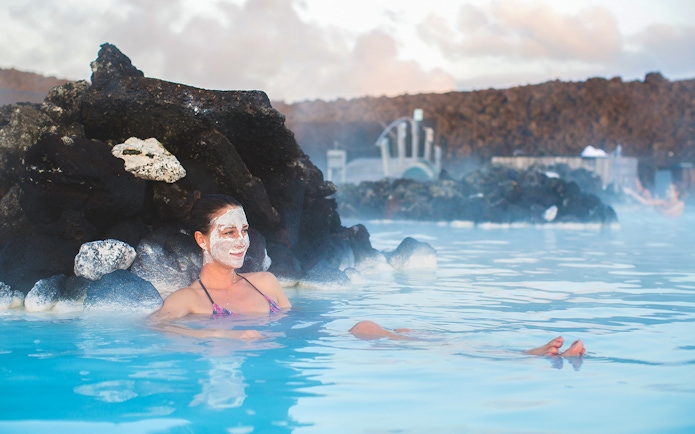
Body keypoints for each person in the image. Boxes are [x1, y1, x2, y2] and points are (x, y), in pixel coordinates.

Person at [150, 194, 291, 339]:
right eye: (229, 232)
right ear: (201, 240)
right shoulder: (189, 298)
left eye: (244, 231)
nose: (241, 242)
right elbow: (154, 325)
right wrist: (218, 334)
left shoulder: (266, 283)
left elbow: (292, 323)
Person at [348, 320, 586, 357]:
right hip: (373, 331)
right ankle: (530, 354)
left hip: (405, 337)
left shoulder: (398, 330)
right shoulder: (363, 328)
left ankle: (530, 354)